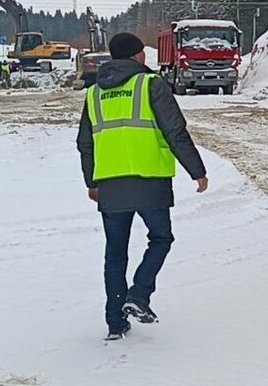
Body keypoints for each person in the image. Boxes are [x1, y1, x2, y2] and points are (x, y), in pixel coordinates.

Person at [76, 31, 208, 341]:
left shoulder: (94, 93)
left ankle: (115, 322)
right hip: (149, 181)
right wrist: (196, 171)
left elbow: (85, 143)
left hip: (110, 184)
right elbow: (175, 130)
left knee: (115, 254)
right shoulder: (151, 84)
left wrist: (91, 181)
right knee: (161, 238)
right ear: (137, 55)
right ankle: (139, 294)